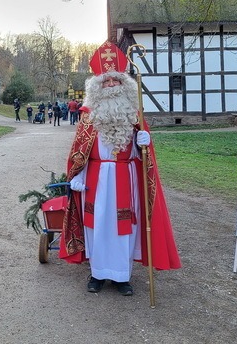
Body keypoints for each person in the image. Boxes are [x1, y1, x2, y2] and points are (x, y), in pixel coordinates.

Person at [59, 41, 181, 296]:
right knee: (97, 226)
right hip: (96, 180)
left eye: (115, 81)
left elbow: (143, 158)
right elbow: (79, 151)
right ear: (98, 87)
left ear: (123, 84)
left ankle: (122, 277)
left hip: (126, 178)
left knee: (125, 226)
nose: (111, 86)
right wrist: (78, 174)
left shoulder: (134, 115)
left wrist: (144, 142)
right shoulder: (88, 115)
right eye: (106, 82)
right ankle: (97, 274)